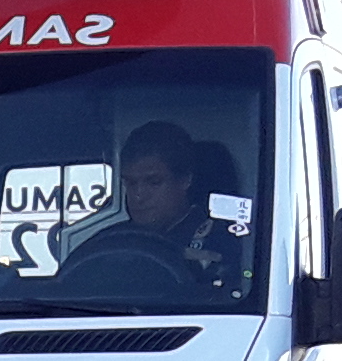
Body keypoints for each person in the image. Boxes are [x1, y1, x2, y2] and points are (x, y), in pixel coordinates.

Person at [90, 119, 247, 291]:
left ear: (185, 180)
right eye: (131, 183)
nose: (139, 195)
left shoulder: (222, 242)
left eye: (154, 182)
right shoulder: (109, 244)